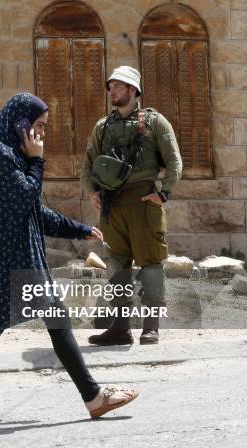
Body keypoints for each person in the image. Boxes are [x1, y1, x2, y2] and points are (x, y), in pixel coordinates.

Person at [0, 93, 139, 426]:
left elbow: (36, 213)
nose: (41, 134)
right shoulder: (5, 157)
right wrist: (37, 160)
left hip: (7, 257)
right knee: (55, 318)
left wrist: (79, 229)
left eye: (44, 127)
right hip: (10, 258)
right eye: (38, 126)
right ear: (20, 123)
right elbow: (28, 195)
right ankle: (94, 398)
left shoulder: (13, 157)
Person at [81, 66, 182, 346]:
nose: (111, 91)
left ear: (133, 90)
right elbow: (88, 162)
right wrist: (92, 192)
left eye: (118, 86)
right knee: (117, 266)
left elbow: (174, 160)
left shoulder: (155, 122)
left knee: (150, 265)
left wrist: (164, 194)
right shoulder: (102, 126)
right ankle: (120, 328)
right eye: (110, 86)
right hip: (113, 205)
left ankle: (151, 327)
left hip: (143, 202)